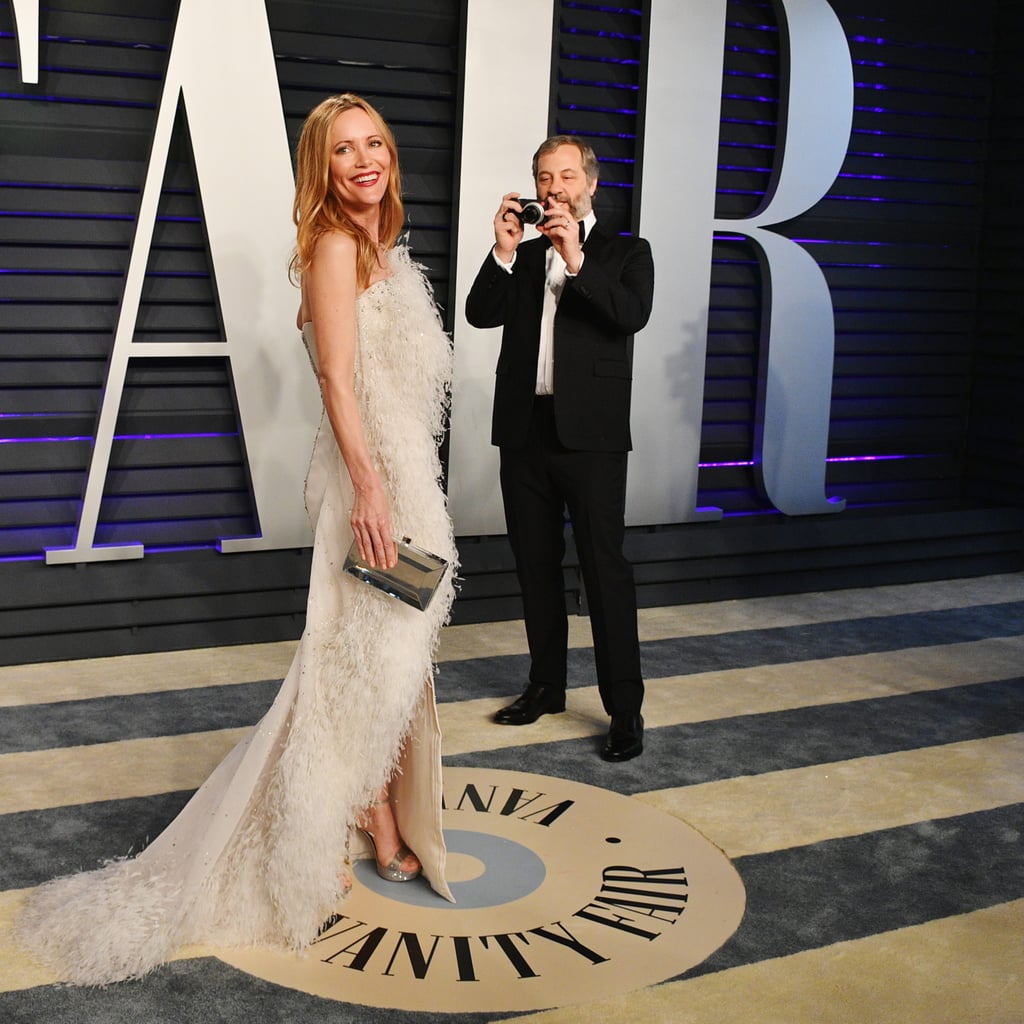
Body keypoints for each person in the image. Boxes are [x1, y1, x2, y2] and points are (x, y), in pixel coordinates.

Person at [17, 93, 457, 985]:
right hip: (368, 487)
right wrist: (371, 489)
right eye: (345, 151)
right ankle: (348, 820)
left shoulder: (389, 253)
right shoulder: (336, 247)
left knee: (381, 661)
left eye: (375, 143)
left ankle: (373, 807)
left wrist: (401, 481)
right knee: (348, 659)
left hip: (408, 480)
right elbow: (336, 377)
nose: (365, 161)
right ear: (322, 169)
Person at [465, 135, 654, 762]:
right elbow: (477, 313)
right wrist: (502, 249)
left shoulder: (627, 252)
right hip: (524, 432)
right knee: (535, 566)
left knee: (605, 569)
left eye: (566, 176)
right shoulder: (521, 255)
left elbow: (628, 314)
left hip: (592, 441)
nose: (553, 188)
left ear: (590, 184)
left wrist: (575, 258)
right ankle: (545, 686)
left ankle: (623, 708)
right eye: (544, 177)